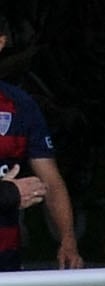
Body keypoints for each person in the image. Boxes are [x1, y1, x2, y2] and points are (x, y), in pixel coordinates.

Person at [0, 58, 77, 274]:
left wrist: (68, 239)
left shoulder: (20, 104)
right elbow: (10, 193)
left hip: (6, 257)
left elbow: (50, 180)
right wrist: (8, 193)